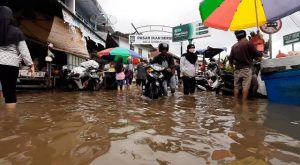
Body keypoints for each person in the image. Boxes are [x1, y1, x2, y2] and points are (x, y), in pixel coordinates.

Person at [0, 6, 35, 110]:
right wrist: (31, 65)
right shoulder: (17, 32)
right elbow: (24, 51)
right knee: (10, 93)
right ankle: (10, 122)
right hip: (11, 65)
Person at [229, 30, 261, 101]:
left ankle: (236, 103)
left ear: (237, 37)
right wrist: (261, 53)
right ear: (245, 35)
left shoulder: (234, 46)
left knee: (236, 87)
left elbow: (230, 59)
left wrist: (232, 68)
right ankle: (244, 104)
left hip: (237, 69)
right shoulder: (249, 43)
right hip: (246, 69)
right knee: (245, 87)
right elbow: (257, 54)